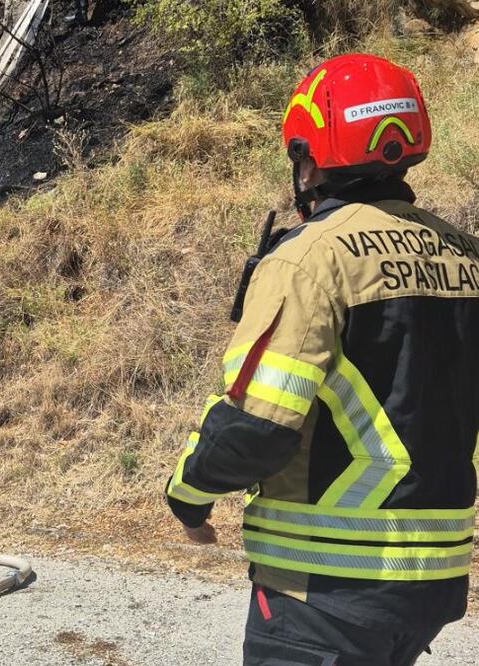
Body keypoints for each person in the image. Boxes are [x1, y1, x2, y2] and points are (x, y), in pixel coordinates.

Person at [165, 53, 479, 665]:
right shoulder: (468, 258)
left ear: (312, 158)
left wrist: (188, 495)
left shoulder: (309, 258)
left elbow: (259, 425)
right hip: (431, 586)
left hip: (324, 591)